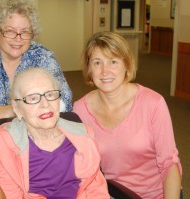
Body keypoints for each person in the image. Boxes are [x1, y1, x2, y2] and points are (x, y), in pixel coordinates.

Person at [73, 31, 182, 199]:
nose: (104, 71)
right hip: (111, 194)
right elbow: (81, 168)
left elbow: (169, 165)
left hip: (156, 195)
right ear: (89, 68)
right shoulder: (80, 110)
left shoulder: (153, 104)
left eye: (113, 62)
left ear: (127, 65)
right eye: (97, 63)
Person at [0, 0, 72, 149]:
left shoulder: (43, 57)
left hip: (33, 142)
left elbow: (64, 101)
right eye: (10, 31)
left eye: (25, 32)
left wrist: (15, 109)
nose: (18, 38)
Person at [0, 68, 109, 198]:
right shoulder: (4, 146)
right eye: (33, 98)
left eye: (50, 95)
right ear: (17, 108)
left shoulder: (83, 136)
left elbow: (97, 191)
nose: (45, 104)